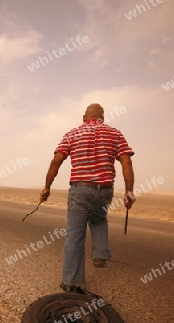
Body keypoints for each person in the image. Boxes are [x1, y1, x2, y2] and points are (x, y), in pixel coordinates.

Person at [40, 103, 135, 293]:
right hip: (104, 190)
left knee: (75, 234)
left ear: (84, 118)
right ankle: (100, 253)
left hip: (80, 189)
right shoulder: (115, 133)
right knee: (99, 220)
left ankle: (72, 282)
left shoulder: (72, 134)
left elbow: (56, 161)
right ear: (103, 118)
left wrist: (47, 187)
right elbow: (126, 161)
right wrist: (129, 191)